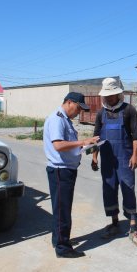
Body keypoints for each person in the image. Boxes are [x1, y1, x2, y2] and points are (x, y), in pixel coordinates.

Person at [44, 92, 99, 258]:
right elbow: (59, 145)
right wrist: (83, 142)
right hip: (61, 171)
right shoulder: (57, 119)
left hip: (65, 170)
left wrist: (84, 148)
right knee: (63, 210)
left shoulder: (64, 120)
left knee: (61, 208)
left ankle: (58, 239)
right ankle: (62, 248)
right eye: (78, 108)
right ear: (69, 102)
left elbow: (67, 146)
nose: (79, 112)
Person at [91, 78, 137, 247]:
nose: (107, 98)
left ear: (117, 94)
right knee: (109, 189)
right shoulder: (101, 113)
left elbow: (136, 135)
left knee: (128, 189)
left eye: (110, 95)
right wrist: (94, 156)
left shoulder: (129, 110)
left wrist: (135, 155)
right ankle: (115, 224)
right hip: (107, 159)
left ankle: (133, 227)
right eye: (105, 96)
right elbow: (96, 136)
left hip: (125, 158)